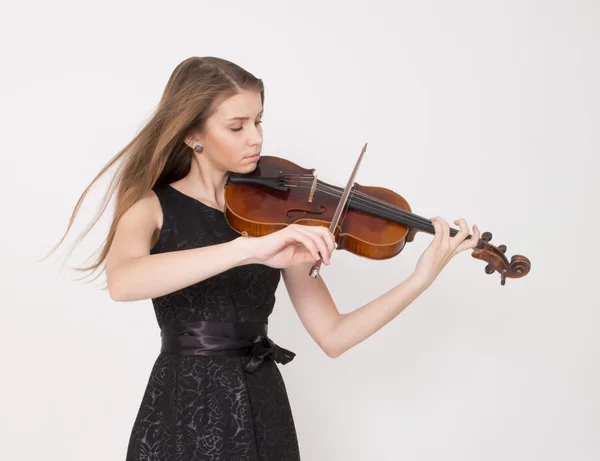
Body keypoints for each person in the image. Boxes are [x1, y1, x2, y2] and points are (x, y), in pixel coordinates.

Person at [46, 56, 480, 460]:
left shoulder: (275, 216)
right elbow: (123, 282)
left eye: (258, 120)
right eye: (237, 126)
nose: (256, 137)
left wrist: (419, 279)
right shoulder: (151, 207)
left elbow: (334, 335)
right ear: (192, 135)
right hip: (184, 403)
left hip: (261, 400)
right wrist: (247, 249)